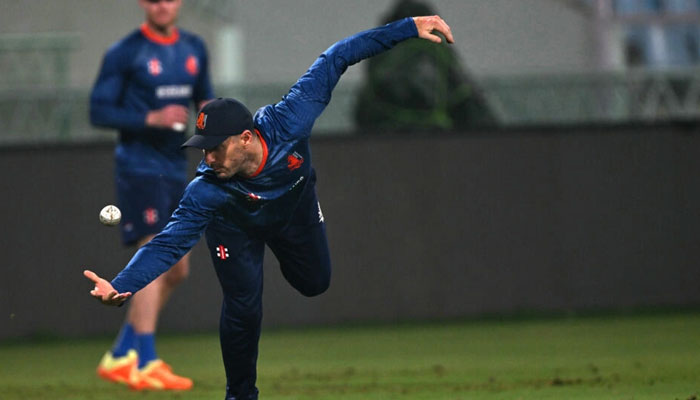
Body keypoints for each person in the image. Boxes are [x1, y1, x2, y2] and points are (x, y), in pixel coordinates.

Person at [84, 15, 454, 400]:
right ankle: (240, 395)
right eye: (203, 148)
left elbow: (336, 57)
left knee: (315, 283)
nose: (208, 157)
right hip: (235, 227)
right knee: (243, 308)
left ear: (246, 138)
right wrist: (121, 284)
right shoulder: (206, 190)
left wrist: (408, 27)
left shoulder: (290, 120)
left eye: (216, 147)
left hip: (294, 210)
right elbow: (166, 245)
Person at [89, 0, 214, 391]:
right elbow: (99, 110)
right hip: (139, 166)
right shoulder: (125, 52)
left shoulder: (194, 48)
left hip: (176, 167)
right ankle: (145, 360)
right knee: (154, 253)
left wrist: (214, 126)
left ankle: (121, 354)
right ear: (144, 3)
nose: (162, 5)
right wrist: (150, 118)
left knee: (176, 269)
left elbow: (205, 100)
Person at [354, 0, 495, 132]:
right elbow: (475, 112)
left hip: (392, 143)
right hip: (440, 142)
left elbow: (363, 114)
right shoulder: (438, 55)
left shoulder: (385, 58)